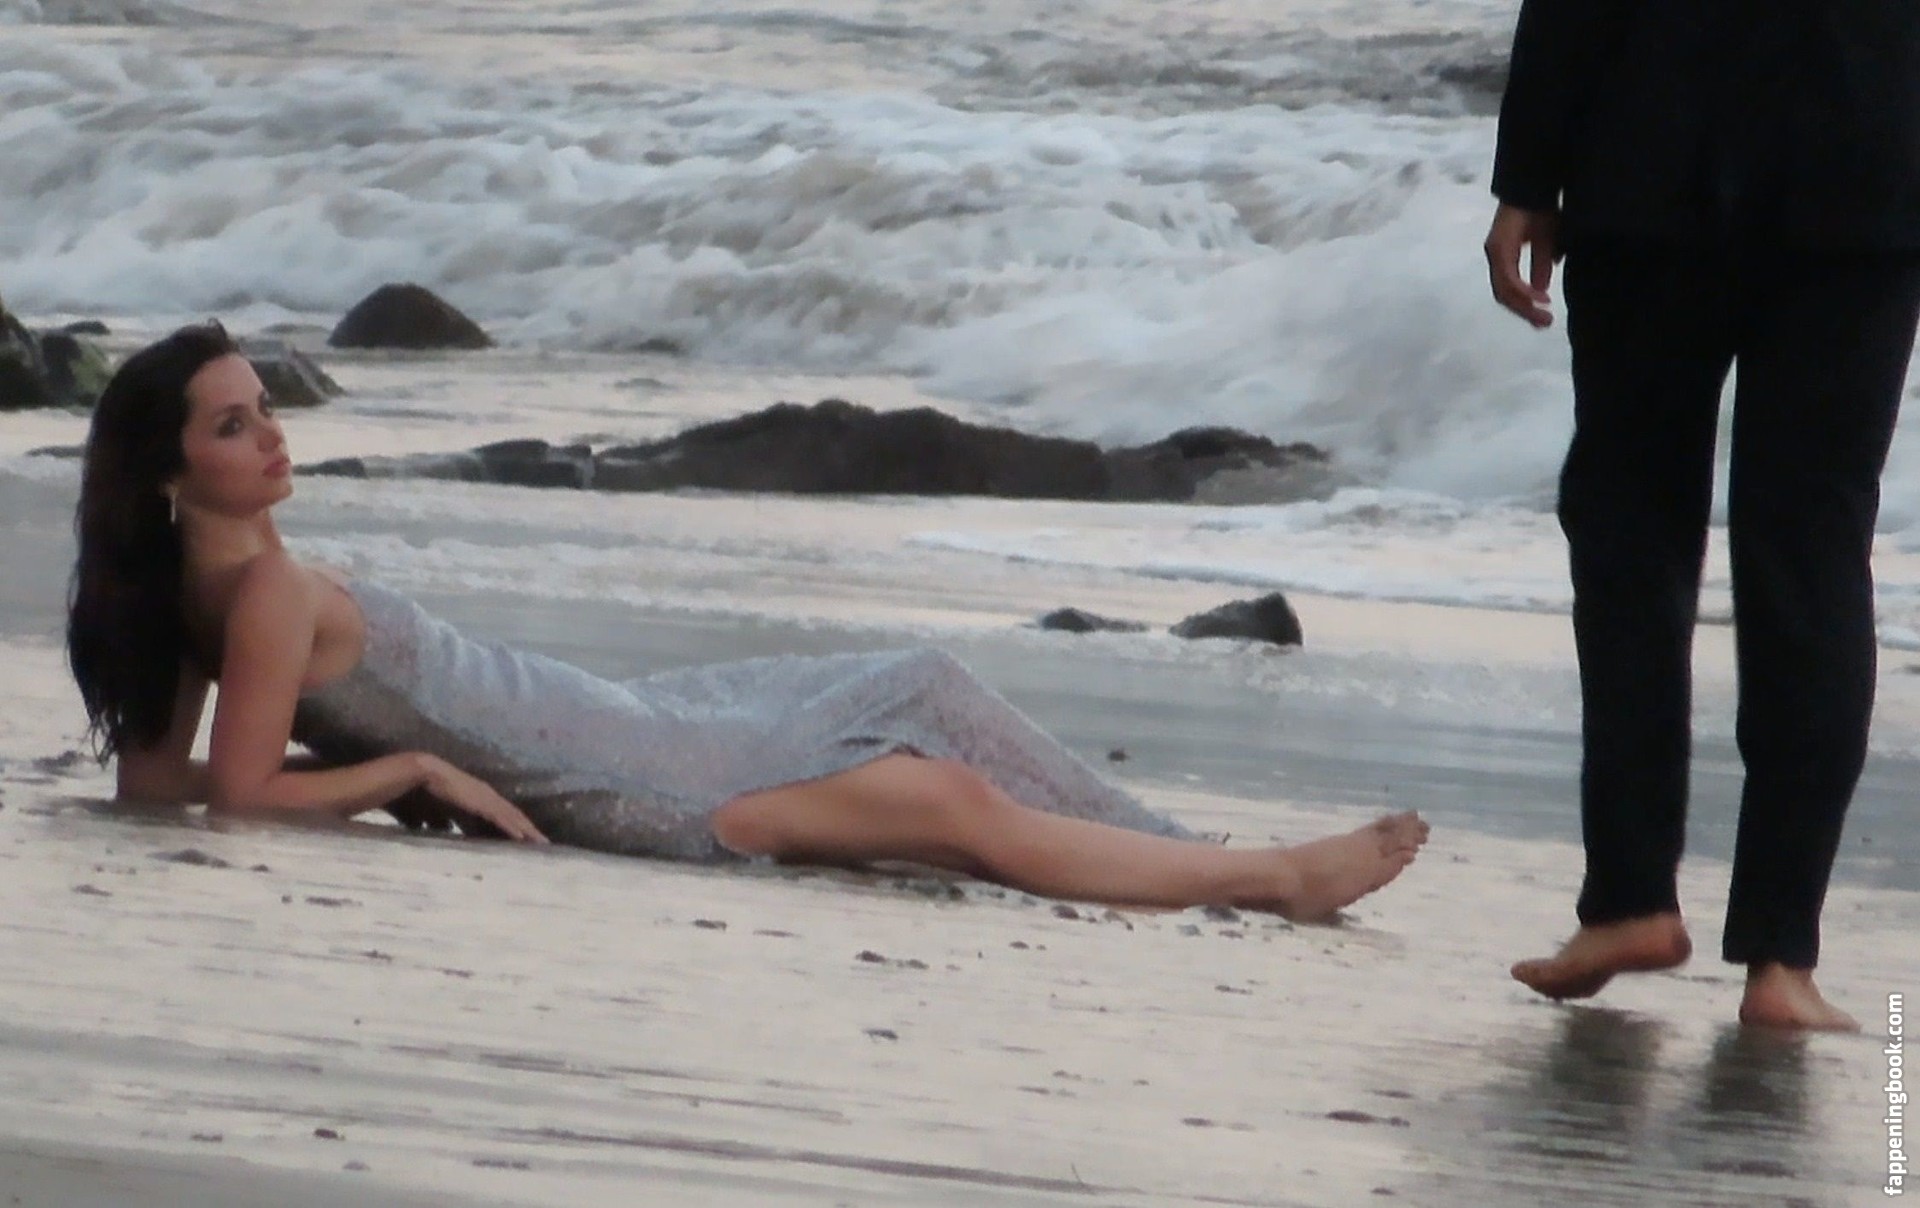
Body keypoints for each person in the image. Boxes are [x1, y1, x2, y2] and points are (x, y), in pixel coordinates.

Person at [66, 323, 1429, 921]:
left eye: (267, 408)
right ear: (171, 469)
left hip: (629, 723)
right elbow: (236, 799)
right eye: (233, 425)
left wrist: (357, 764)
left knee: (928, 696)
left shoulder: (205, 592)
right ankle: (1262, 877)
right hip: (632, 779)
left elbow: (159, 783)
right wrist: (407, 768)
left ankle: (1202, 859)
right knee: (950, 800)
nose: (272, 435)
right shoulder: (264, 596)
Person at [1484, 2, 1920, 1029]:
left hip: (1657, 147)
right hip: (1866, 162)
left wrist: (1527, 174)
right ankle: (1781, 959)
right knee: (1813, 549)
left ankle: (1630, 900)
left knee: (1632, 525)